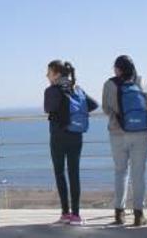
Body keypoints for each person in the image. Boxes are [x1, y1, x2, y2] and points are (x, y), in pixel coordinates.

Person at [44, 60, 99, 226]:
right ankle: (76, 215)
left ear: (57, 73)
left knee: (60, 173)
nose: (46, 75)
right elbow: (94, 104)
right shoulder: (77, 88)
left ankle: (65, 213)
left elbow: (48, 108)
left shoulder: (52, 90)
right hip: (76, 135)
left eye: (49, 72)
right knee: (74, 173)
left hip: (58, 136)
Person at [102, 55, 147, 226]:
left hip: (117, 133)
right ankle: (139, 214)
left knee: (120, 172)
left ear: (118, 69)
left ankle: (119, 213)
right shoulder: (141, 81)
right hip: (140, 133)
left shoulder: (109, 84)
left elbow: (106, 108)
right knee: (138, 174)